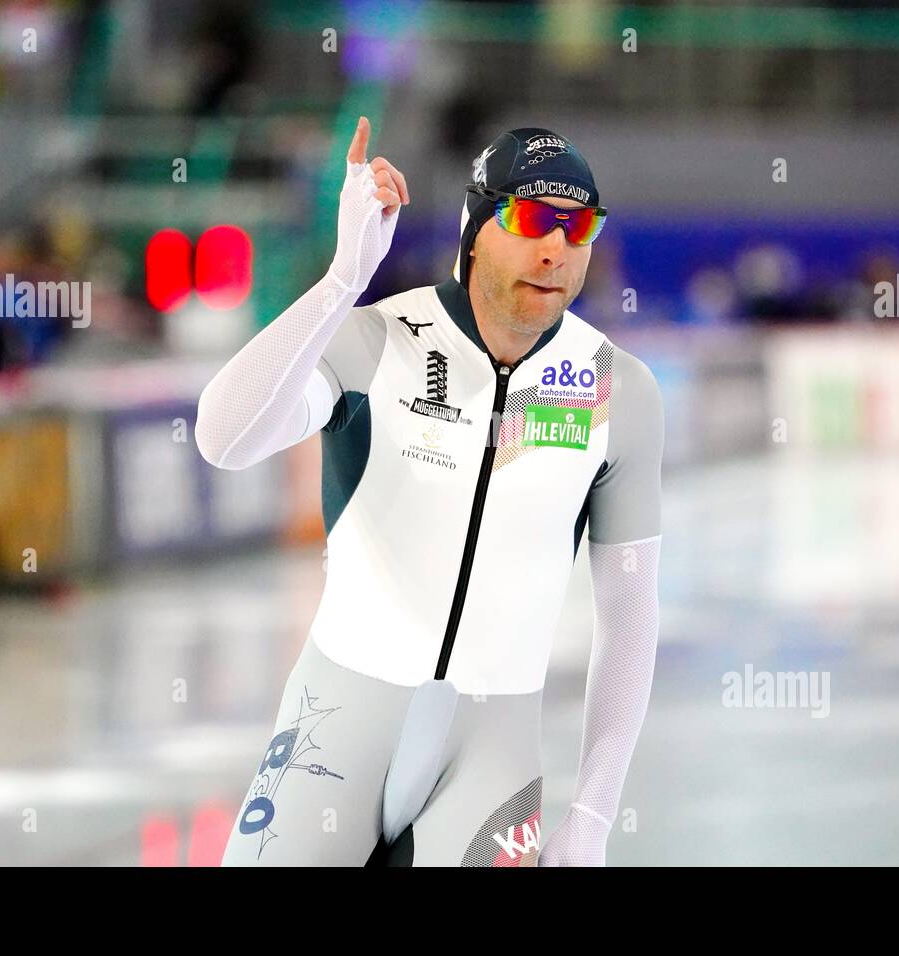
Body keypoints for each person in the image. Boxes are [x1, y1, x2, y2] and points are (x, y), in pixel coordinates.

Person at [198, 118, 663, 866]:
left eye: (578, 230)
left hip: (492, 762)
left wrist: (595, 817)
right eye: (535, 221)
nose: (557, 250)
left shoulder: (617, 390)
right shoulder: (375, 339)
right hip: (338, 726)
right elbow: (222, 438)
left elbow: (631, 620)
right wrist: (342, 279)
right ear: (477, 228)